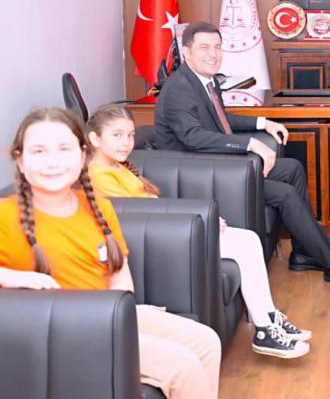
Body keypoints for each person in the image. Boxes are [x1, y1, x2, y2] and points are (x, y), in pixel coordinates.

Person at [0, 107, 221, 399]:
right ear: (20, 160)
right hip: (53, 333)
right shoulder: (5, 216)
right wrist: (11, 277)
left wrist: (118, 317)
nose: (52, 162)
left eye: (64, 149)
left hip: (106, 318)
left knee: (206, 341)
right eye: (38, 151)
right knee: (182, 366)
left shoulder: (98, 207)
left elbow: (119, 270)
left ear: (82, 156)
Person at [87, 104, 311, 359]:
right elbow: (142, 213)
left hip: (170, 228)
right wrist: (202, 220)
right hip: (164, 238)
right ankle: (265, 328)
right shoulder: (100, 175)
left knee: (249, 239)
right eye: (117, 135)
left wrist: (203, 219)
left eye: (130, 135)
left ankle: (268, 319)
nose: (126, 143)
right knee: (245, 245)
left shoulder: (119, 167)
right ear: (95, 138)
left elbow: (152, 206)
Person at [154, 22, 330, 285]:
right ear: (186, 52)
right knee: (285, 194)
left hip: (218, 164)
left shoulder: (206, 80)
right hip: (198, 174)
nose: (213, 54)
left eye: (217, 47)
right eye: (204, 48)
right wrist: (250, 144)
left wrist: (262, 123)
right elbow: (193, 137)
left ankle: (303, 252)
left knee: (292, 168)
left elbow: (219, 118)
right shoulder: (179, 89)